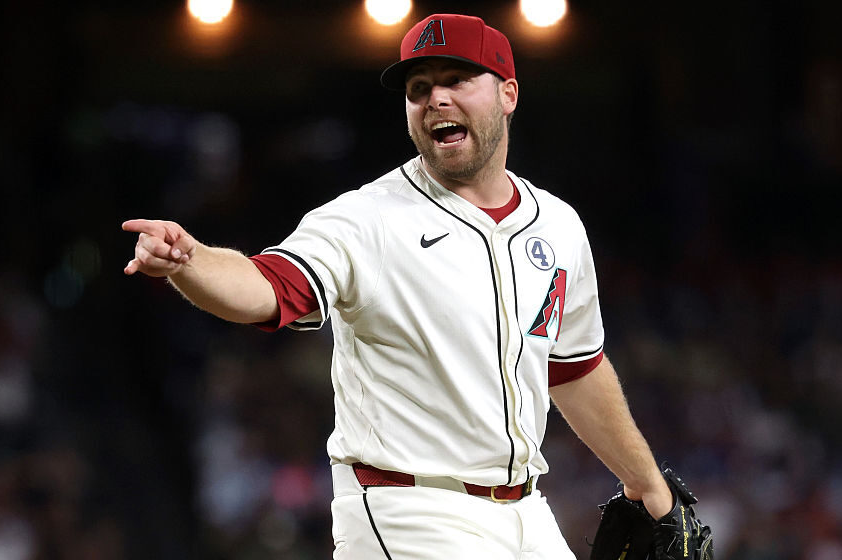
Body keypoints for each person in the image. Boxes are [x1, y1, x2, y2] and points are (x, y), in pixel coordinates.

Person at [123, 13, 672, 559]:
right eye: (419, 88)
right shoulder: (367, 219)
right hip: (407, 509)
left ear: (508, 94)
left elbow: (574, 367)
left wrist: (646, 483)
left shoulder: (557, 226)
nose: (435, 98)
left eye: (456, 80)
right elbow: (269, 288)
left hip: (526, 511)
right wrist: (190, 262)